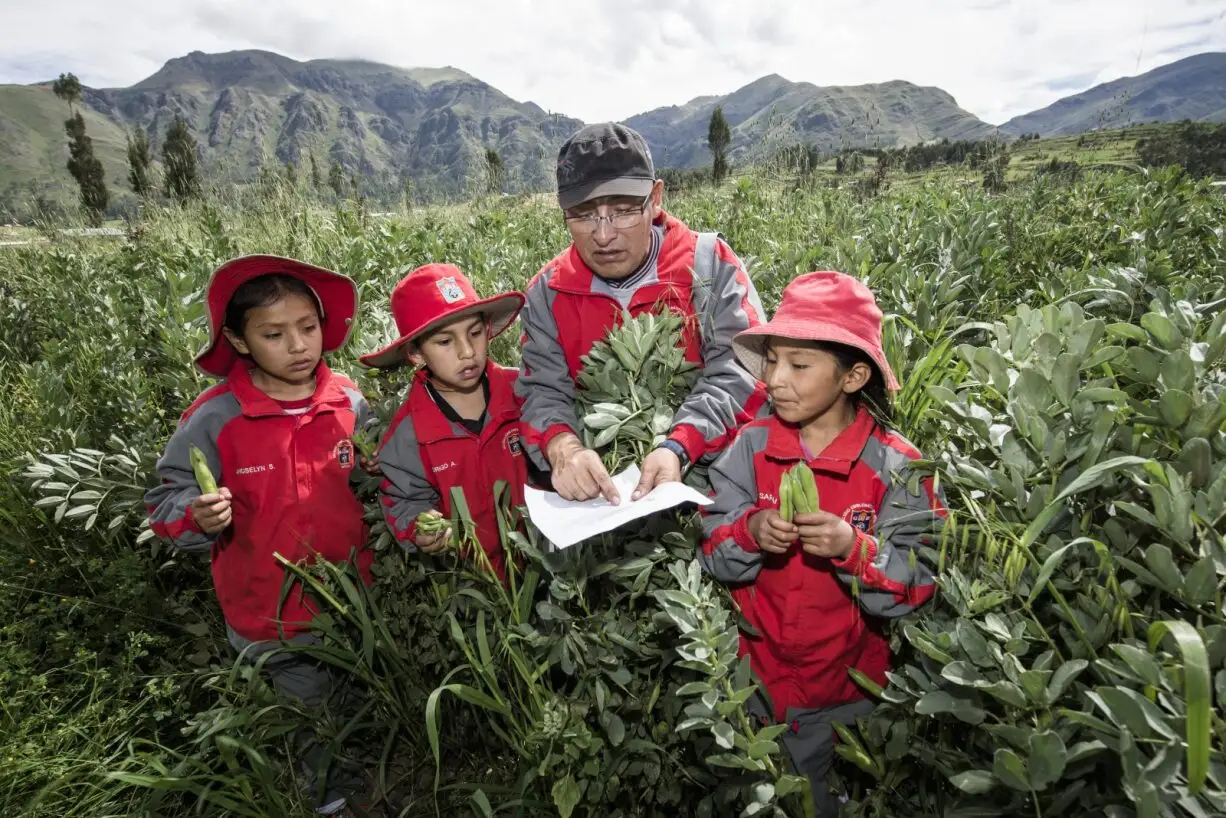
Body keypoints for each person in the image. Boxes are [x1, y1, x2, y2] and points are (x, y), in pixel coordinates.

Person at [698, 271, 944, 815]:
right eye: (772, 361)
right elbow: (712, 548)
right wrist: (751, 531)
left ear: (853, 377)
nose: (775, 380)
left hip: (846, 697)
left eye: (799, 365)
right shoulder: (750, 447)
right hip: (750, 687)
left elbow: (917, 583)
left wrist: (852, 549)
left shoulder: (897, 467)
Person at [143, 255, 375, 817]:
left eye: (308, 328)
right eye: (274, 334)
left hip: (356, 605)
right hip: (270, 616)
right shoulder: (215, 418)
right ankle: (331, 802)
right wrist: (196, 517)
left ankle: (366, 775)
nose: (298, 345)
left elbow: (375, 483)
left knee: (358, 701)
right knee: (309, 723)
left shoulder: (349, 402)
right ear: (239, 341)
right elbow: (163, 502)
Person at [516, 121, 768, 505]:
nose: (603, 235)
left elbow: (743, 371)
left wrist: (680, 445)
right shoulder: (547, 293)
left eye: (622, 211)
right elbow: (542, 391)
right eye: (583, 215)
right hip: (603, 501)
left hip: (715, 484)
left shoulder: (708, 265)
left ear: (655, 199)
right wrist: (564, 448)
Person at [362, 263, 532, 580]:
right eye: (445, 342)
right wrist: (420, 526)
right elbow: (402, 500)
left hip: (544, 568)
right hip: (469, 584)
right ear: (415, 353)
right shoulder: (408, 433)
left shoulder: (523, 391)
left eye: (475, 333)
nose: (467, 352)